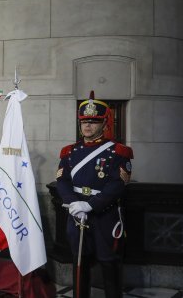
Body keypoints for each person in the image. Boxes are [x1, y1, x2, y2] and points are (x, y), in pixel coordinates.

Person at [56, 91, 133, 298]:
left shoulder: (118, 152)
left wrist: (90, 206)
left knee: (109, 264)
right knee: (79, 263)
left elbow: (118, 185)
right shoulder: (69, 152)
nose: (87, 126)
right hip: (76, 214)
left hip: (104, 216)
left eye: (93, 121)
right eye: (84, 122)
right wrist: (73, 204)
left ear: (103, 124)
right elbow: (62, 181)